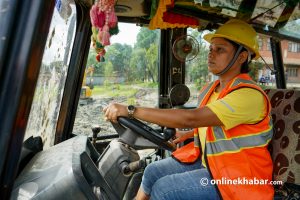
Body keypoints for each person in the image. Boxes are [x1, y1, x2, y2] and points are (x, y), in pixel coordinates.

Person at [103, 19, 274, 200]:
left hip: (240, 178)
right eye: (211, 49)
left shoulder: (248, 95)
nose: (211, 54)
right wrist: (192, 133)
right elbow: (217, 125)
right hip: (212, 163)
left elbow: (190, 117)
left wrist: (130, 110)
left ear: (241, 56)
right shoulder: (211, 89)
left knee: (165, 189)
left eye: (220, 49)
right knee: (152, 171)